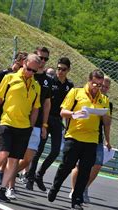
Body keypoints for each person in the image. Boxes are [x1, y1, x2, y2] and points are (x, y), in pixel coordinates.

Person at [47, 69, 110, 210]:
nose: (97, 88)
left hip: (92, 139)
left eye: (100, 85)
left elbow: (106, 121)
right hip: (74, 136)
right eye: (95, 84)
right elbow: (63, 112)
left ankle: (77, 200)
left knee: (85, 171)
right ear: (88, 81)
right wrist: (75, 114)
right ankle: (55, 187)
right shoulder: (76, 93)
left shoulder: (104, 99)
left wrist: (104, 115)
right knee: (66, 166)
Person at [0, 53, 41, 202]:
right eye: (28, 69)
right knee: (3, 153)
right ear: (24, 64)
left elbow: (36, 109)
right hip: (7, 121)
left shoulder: (36, 86)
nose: (30, 73)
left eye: (34, 71)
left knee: (14, 160)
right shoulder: (9, 78)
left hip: (24, 126)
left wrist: (31, 126)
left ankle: (2, 189)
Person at [27, 57, 74, 192]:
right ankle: (30, 178)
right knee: (38, 149)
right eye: (58, 68)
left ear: (68, 70)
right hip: (46, 118)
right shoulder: (50, 81)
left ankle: (39, 174)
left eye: (63, 69)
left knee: (55, 151)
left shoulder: (69, 86)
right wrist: (43, 122)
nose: (60, 72)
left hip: (57, 120)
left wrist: (68, 125)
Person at [69, 76, 113, 203]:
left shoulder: (107, 102)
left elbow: (107, 124)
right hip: (80, 133)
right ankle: (74, 190)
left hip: (97, 137)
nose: (103, 88)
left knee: (97, 164)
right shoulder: (84, 95)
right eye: (101, 85)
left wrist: (108, 140)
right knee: (79, 165)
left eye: (105, 87)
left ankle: (84, 188)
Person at [0, 52, 28, 181]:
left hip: (11, 116)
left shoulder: (26, 80)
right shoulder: (4, 74)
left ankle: (1, 171)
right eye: (19, 63)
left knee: (7, 147)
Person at [18, 47, 52, 196]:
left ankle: (8, 173)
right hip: (18, 120)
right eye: (40, 58)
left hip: (37, 123)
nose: (42, 61)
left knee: (28, 159)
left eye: (45, 59)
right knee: (12, 153)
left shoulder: (47, 80)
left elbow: (46, 104)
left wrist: (44, 124)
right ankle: (1, 175)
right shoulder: (23, 74)